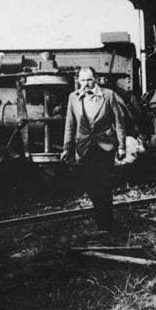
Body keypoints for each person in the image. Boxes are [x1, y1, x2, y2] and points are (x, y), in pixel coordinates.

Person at [60, 67, 127, 233]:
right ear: (78, 81)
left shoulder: (108, 95)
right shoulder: (73, 98)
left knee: (103, 184)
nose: (86, 84)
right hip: (84, 147)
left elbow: (119, 122)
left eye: (89, 80)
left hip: (105, 146)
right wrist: (66, 148)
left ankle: (106, 224)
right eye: (82, 80)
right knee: (90, 185)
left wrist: (122, 146)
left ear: (95, 79)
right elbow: (70, 124)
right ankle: (101, 218)